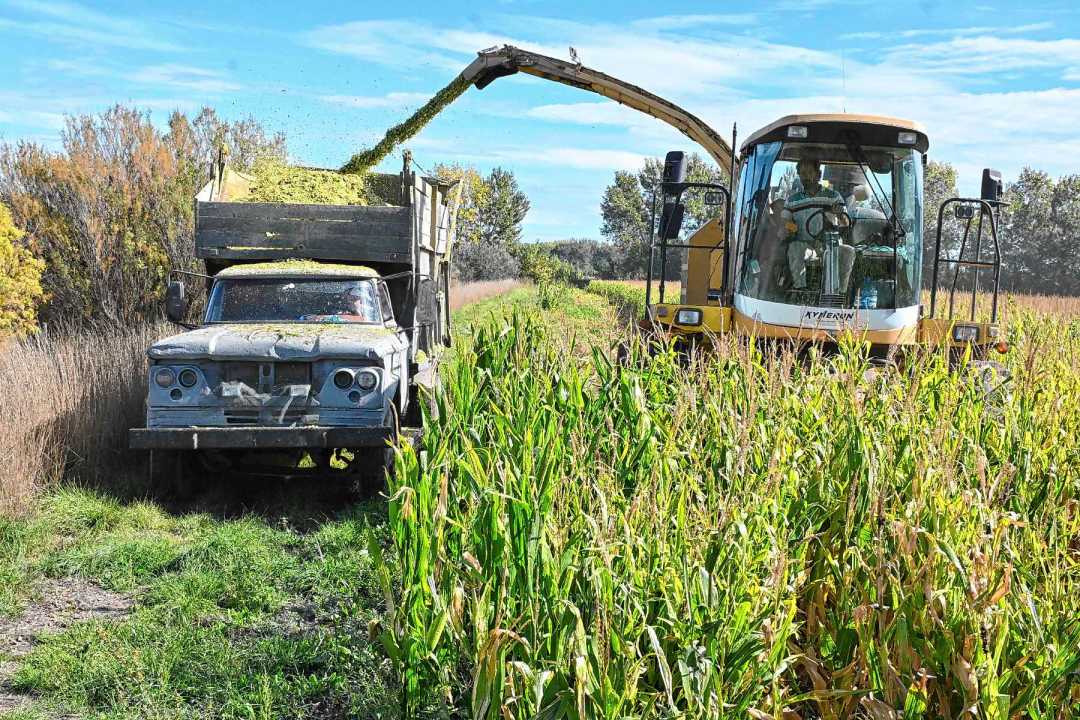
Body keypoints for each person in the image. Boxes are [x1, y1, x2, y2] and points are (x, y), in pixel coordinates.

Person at [785, 158, 856, 294]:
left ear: (819, 175)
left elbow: (846, 223)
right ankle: (801, 291)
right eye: (802, 174)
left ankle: (840, 294)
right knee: (794, 248)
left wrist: (839, 214)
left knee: (848, 251)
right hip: (806, 246)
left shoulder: (833, 196)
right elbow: (784, 222)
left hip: (830, 245)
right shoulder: (792, 200)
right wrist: (790, 227)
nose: (805, 177)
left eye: (809, 172)